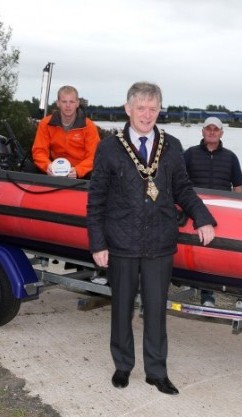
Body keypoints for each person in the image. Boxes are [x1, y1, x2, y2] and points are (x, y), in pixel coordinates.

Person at [87, 82, 216, 395]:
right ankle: (122, 366)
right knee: (121, 308)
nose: (147, 115)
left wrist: (203, 217)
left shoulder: (171, 146)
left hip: (159, 241)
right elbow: (96, 199)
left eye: (153, 109)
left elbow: (183, 188)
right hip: (121, 241)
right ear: (128, 109)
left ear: (160, 110)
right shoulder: (109, 147)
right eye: (141, 108)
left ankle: (156, 372)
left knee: (157, 310)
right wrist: (98, 243)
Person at [183, 116, 242, 307]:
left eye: (215, 129)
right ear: (202, 132)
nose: (211, 132)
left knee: (213, 251)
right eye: (208, 129)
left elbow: (238, 185)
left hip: (220, 211)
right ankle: (198, 289)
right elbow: (179, 182)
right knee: (196, 249)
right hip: (194, 209)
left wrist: (235, 206)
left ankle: (213, 292)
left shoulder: (230, 157)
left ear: (221, 133)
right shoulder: (190, 154)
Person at [31, 85, 100, 179]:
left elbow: (94, 156)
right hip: (53, 168)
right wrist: (47, 166)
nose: (68, 106)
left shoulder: (89, 126)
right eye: (64, 102)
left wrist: (78, 171)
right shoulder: (46, 124)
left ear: (77, 103)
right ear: (58, 103)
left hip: (80, 171)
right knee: (30, 169)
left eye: (71, 102)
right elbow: (39, 151)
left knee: (96, 176)